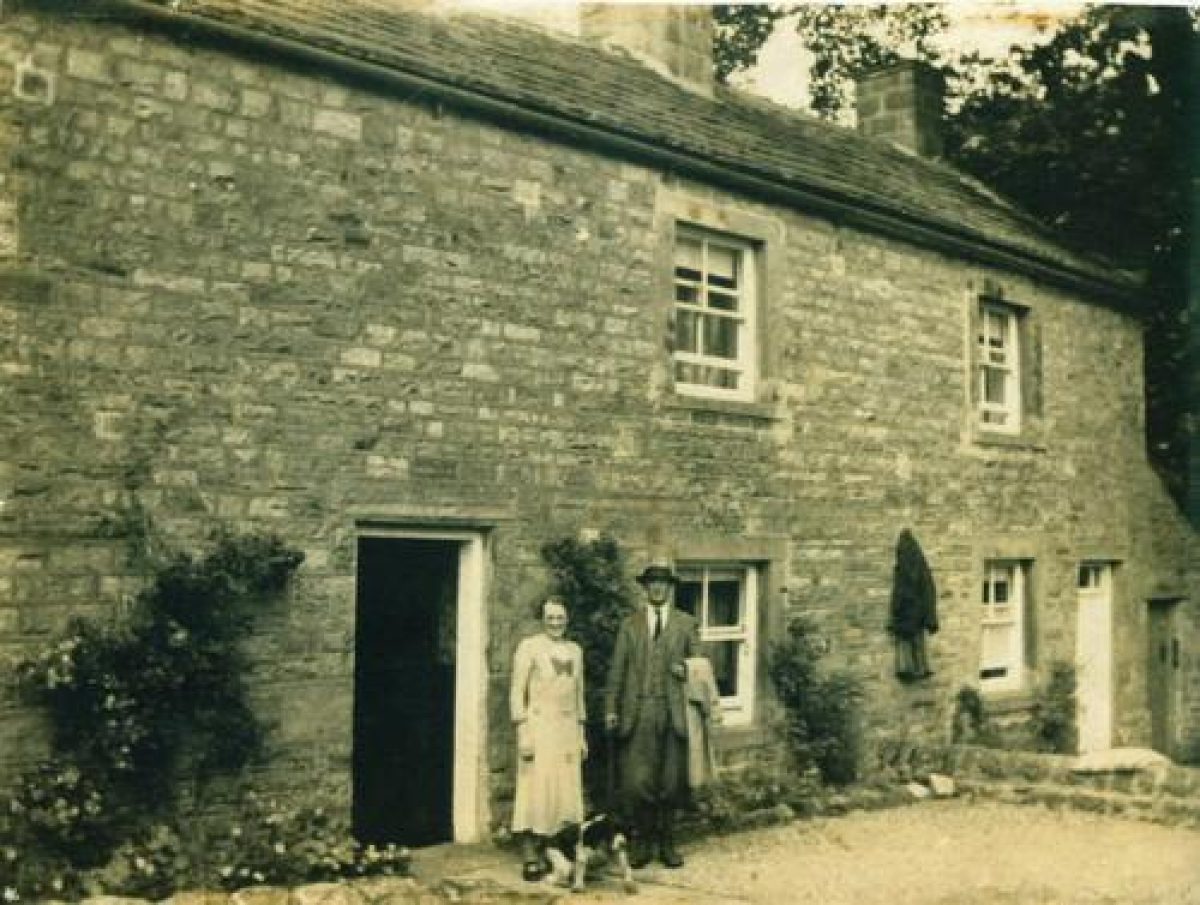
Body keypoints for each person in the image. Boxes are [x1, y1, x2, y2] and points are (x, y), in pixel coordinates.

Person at [604, 557, 700, 869]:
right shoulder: (629, 625)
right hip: (638, 709)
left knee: (671, 781)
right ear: (645, 589)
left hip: (674, 711)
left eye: (663, 583)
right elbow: (616, 672)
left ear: (670, 588)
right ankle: (643, 843)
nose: (657, 588)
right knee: (638, 782)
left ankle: (667, 843)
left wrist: (685, 669)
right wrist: (611, 709)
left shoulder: (686, 624)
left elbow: (702, 667)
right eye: (652, 583)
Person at [510, 596, 587, 881]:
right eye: (550, 617)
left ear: (567, 619)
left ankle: (555, 849)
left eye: (560, 618)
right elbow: (517, 691)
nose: (556, 623)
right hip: (539, 727)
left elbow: (579, 695)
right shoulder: (529, 647)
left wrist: (581, 734)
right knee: (536, 788)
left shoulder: (575, 650)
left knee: (563, 791)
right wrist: (523, 731)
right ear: (542, 619)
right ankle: (530, 852)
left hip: (566, 729)